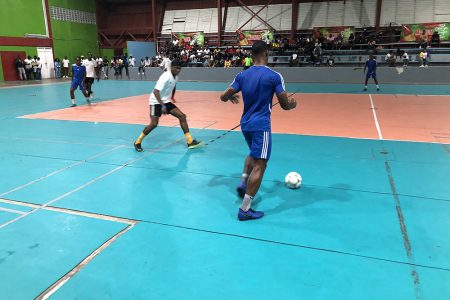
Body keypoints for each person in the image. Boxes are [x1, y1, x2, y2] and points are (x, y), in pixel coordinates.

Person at [219, 41, 297, 221]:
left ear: (252, 55)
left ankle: (243, 181)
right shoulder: (274, 76)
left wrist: (231, 96)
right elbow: (285, 105)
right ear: (266, 53)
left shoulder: (242, 75)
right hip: (261, 125)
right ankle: (245, 209)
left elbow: (223, 96)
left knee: (254, 155)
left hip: (245, 125)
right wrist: (293, 103)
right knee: (261, 164)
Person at [133, 60, 202, 152]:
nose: (178, 70)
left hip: (166, 101)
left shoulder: (176, 77)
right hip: (155, 101)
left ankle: (190, 141)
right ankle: (137, 142)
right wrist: (162, 106)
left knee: (182, 116)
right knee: (154, 124)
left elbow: (173, 86)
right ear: (171, 67)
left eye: (179, 68)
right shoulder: (165, 76)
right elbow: (156, 91)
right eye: (176, 68)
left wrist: (172, 97)